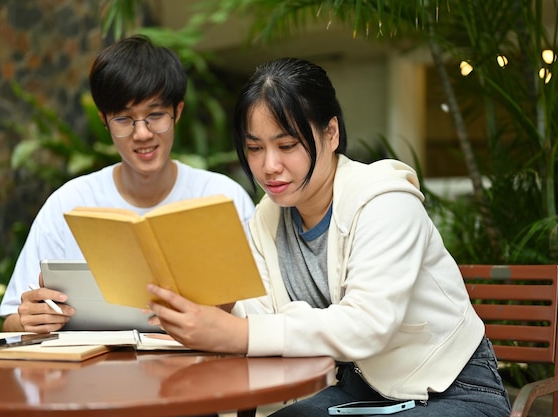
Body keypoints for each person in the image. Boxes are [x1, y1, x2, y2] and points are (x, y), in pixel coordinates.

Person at [146, 57, 512, 417]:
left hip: (450, 389)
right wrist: (214, 308)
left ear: (331, 132)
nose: (269, 165)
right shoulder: (269, 215)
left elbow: (368, 325)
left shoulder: (385, 200)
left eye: (287, 145)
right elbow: (262, 315)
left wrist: (236, 333)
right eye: (255, 148)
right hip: (358, 388)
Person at [0, 35, 255, 334]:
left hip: (200, 371)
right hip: (93, 376)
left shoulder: (223, 197)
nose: (143, 133)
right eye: (124, 119)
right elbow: (11, 322)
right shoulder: (67, 204)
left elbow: (260, 314)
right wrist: (30, 320)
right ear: (104, 121)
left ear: (178, 112)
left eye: (156, 115)